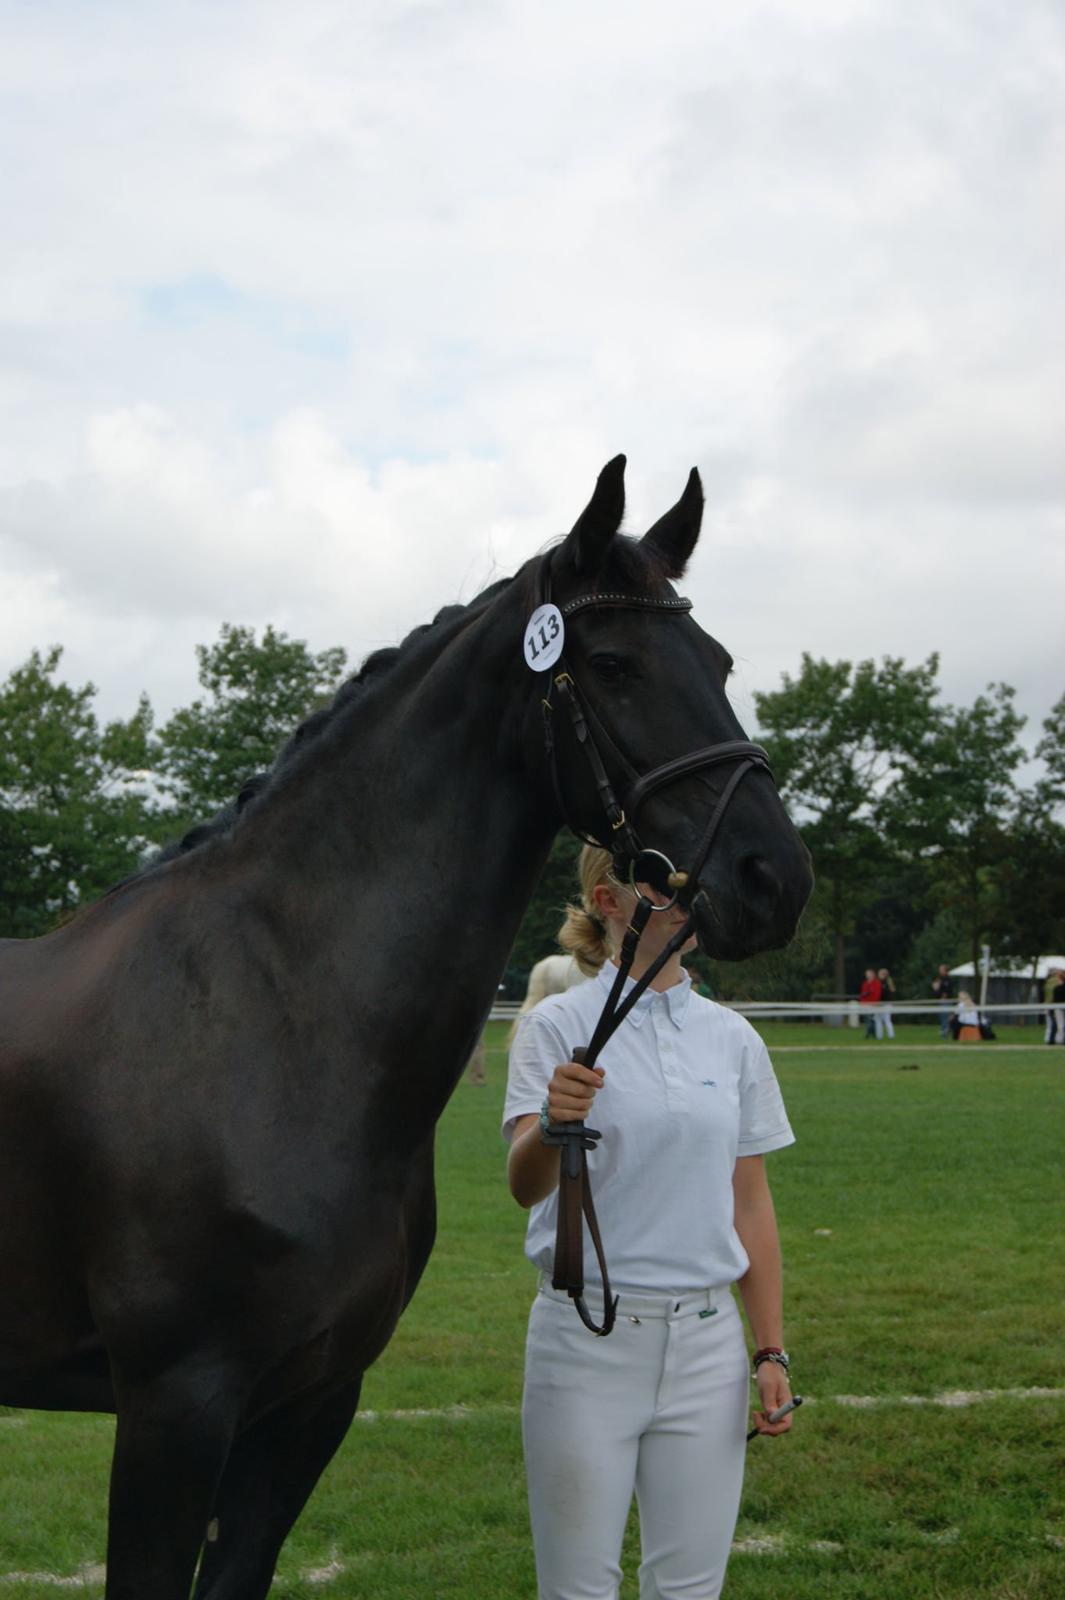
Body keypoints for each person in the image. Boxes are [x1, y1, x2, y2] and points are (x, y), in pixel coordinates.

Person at [503, 845, 796, 1600]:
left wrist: (770, 1351)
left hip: (707, 1348)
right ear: (606, 902)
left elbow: (750, 1202)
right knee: (576, 1589)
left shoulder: (732, 1038)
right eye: (658, 877)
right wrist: (550, 1123)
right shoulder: (554, 1027)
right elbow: (523, 1185)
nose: (684, 890)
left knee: (690, 1589)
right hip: (583, 1342)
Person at [931, 964, 955, 1039]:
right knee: (942, 1018)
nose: (939, 971)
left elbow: (946, 992)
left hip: (946, 1001)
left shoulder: (947, 979)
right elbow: (937, 990)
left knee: (945, 1018)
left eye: (941, 969)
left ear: (945, 971)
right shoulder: (940, 979)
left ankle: (945, 1034)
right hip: (941, 1001)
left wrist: (937, 989)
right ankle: (944, 1032)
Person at [859, 968, 882, 1038]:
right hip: (865, 1004)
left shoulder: (876, 983)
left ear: (872, 975)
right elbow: (862, 994)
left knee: (872, 1019)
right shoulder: (865, 983)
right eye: (867, 974)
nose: (867, 975)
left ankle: (869, 1033)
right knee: (868, 1019)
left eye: (868, 974)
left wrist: (875, 1003)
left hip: (873, 1004)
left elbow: (877, 994)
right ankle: (871, 1033)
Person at [877, 967, 896, 1040]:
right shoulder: (878, 982)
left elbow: (891, 992)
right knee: (879, 1020)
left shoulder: (888, 982)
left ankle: (891, 1035)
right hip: (878, 1004)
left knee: (887, 1020)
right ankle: (879, 1036)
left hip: (886, 1004)